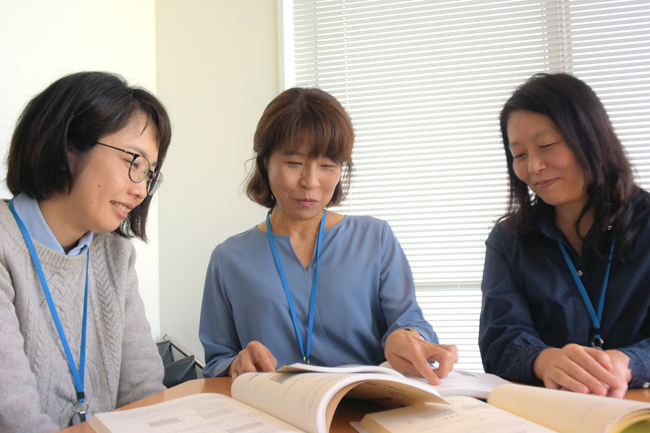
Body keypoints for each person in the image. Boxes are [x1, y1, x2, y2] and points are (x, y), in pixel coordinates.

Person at [200, 87, 458, 384]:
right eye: (294, 163)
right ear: (264, 162)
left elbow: (410, 321)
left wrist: (408, 337)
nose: (310, 182)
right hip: (273, 413)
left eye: (327, 165)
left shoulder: (375, 238)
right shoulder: (228, 258)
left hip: (366, 406)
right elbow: (217, 360)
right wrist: (236, 364)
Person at [0, 71, 172, 432]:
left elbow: (145, 395)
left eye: (150, 174)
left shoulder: (116, 256)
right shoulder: (5, 245)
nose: (142, 191)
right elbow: (17, 420)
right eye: (133, 162)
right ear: (67, 148)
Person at [479, 73, 650, 399]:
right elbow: (499, 339)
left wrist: (628, 362)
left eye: (546, 146)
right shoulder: (509, 239)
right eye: (519, 154)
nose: (534, 166)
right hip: (550, 411)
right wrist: (547, 361)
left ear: (590, 138)